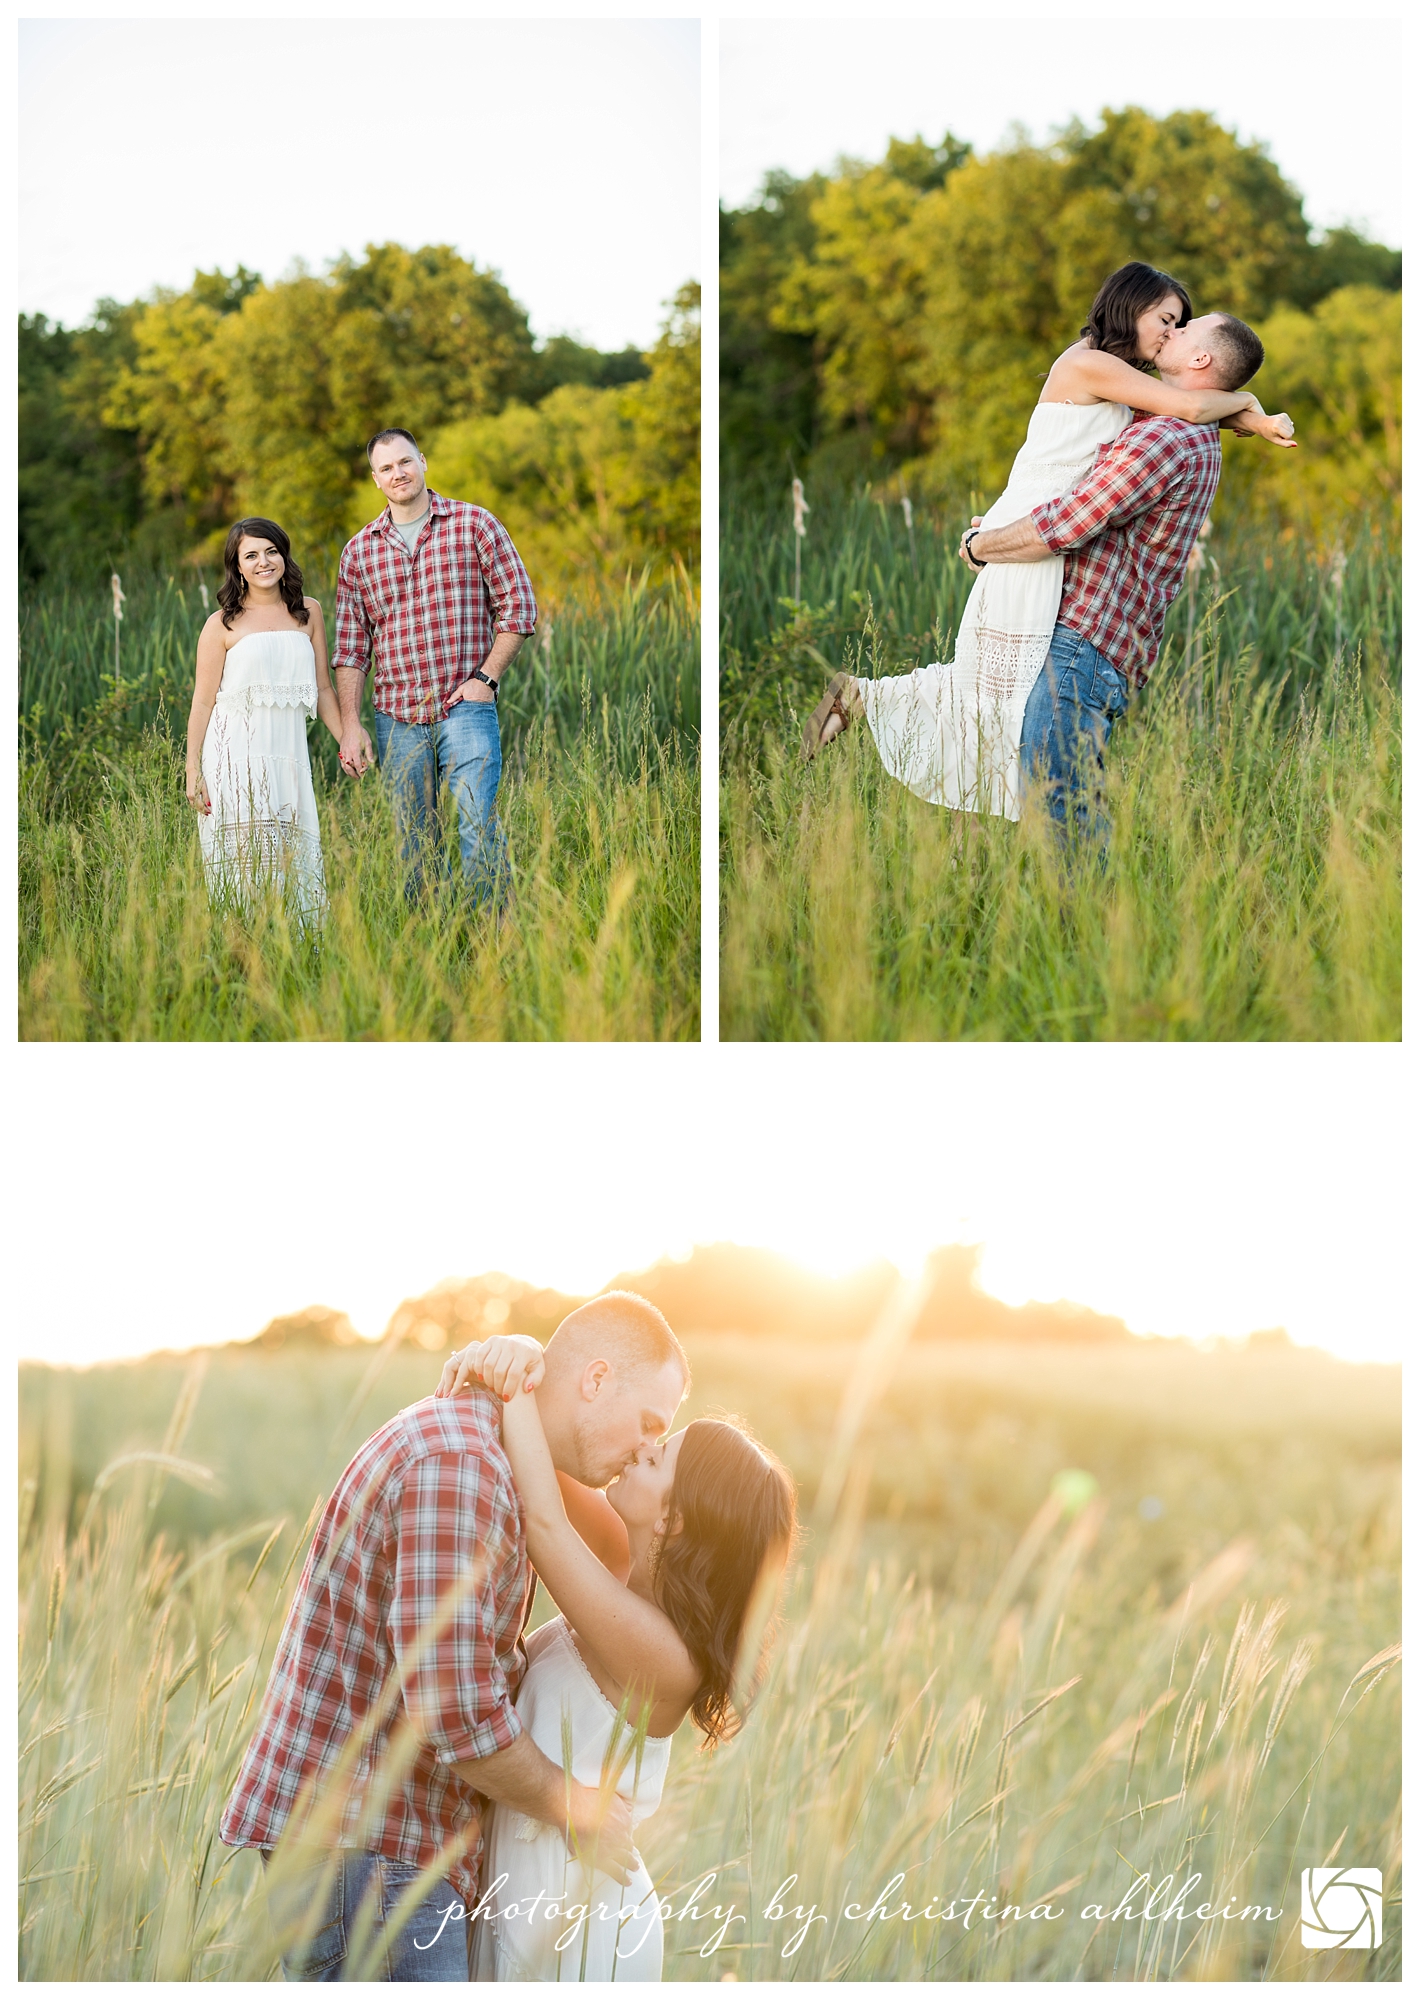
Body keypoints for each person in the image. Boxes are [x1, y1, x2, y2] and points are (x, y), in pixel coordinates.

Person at [218, 1294, 688, 1982]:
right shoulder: (461, 1466)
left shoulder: (492, 1456)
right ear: (594, 1380)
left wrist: (522, 1369)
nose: (645, 1449)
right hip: (369, 1859)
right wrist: (576, 1806)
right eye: (648, 1423)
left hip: (389, 1857)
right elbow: (455, 1715)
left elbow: (598, 1547)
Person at [803, 263, 1297, 846]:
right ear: (1130, 305)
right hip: (1031, 546)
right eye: (1167, 319)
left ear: (1198, 360)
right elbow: (1193, 405)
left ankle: (870, 704)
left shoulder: (1150, 408)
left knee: (995, 703)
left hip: (1037, 545)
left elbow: (1190, 404)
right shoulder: (1092, 364)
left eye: (1182, 327)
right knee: (997, 705)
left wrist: (1246, 406)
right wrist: (1252, 408)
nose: (1171, 332)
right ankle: (946, 813)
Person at [432, 1330, 797, 1982]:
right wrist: (518, 1356)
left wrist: (515, 1379)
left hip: (582, 1927)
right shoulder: (626, 1569)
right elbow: (542, 1452)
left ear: (675, 1522)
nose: (644, 1449)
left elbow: (544, 1525)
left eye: (660, 1459)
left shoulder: (666, 1658)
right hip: (531, 1890)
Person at [333, 429, 538, 912]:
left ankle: (495, 945)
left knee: (476, 824)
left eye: (405, 462)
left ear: (423, 462)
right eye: (386, 468)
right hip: (397, 718)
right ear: (375, 479)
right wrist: (350, 724)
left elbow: (519, 607)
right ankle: (431, 949)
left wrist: (485, 679)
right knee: (414, 842)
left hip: (465, 708)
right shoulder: (359, 551)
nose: (398, 473)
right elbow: (350, 648)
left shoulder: (474, 524)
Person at [185, 518, 366, 925]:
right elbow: (202, 700)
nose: (263, 562)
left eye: (271, 551)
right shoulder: (221, 624)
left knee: (293, 861)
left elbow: (322, 689)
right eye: (251, 555)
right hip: (234, 758)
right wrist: (193, 767)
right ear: (238, 566)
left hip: (288, 756)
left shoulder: (309, 612)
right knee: (244, 866)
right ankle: (243, 953)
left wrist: (347, 741)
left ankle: (299, 955)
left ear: (284, 554)